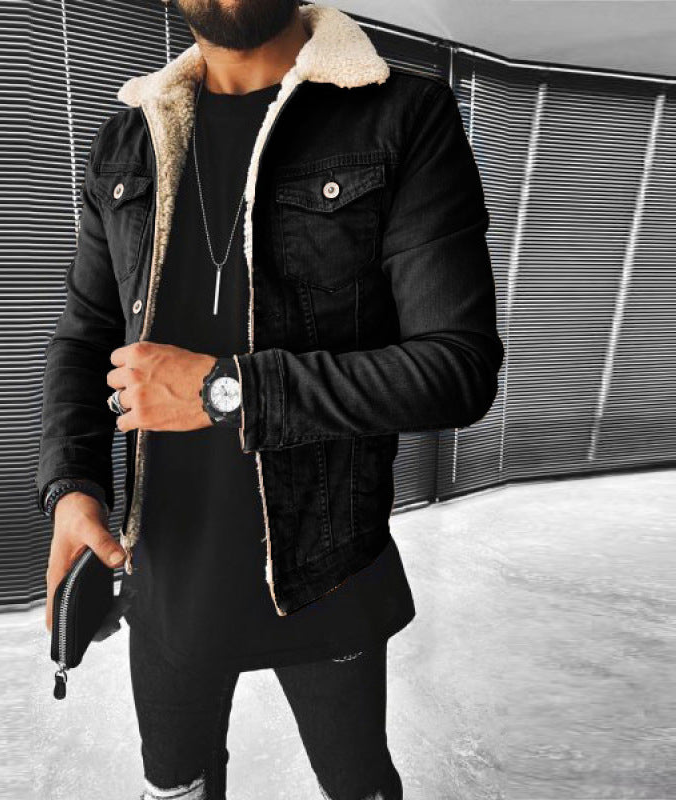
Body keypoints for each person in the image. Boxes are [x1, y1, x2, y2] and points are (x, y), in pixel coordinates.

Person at [36, 1, 504, 798]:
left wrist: (227, 389)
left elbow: (456, 367)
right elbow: (84, 340)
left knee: (358, 785)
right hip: (167, 574)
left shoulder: (402, 114)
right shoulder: (125, 138)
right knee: (175, 787)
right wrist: (71, 489)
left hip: (328, 571)